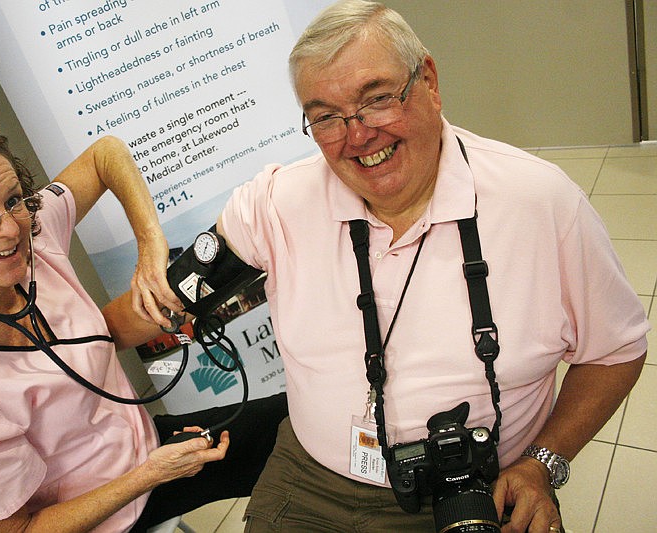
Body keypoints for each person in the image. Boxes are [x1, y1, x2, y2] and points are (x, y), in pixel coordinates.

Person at [213, 1, 649, 532]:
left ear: (430, 81)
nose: (357, 136)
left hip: (475, 491)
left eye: (376, 100)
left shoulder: (542, 203)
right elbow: (168, 298)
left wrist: (543, 463)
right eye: (326, 116)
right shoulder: (277, 201)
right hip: (310, 480)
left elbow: (617, 350)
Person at [0, 115, 287, 533]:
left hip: (140, 446)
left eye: (14, 198)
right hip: (105, 514)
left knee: (298, 423)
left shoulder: (30, 236)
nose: (10, 229)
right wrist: (150, 475)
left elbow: (107, 154)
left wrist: (150, 245)